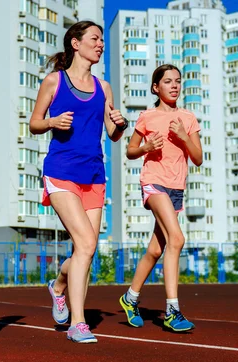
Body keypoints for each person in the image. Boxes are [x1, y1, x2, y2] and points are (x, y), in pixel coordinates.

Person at [29, 21, 128, 343]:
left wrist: (120, 124)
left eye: (102, 40)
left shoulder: (104, 87)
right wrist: (52, 122)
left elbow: (112, 134)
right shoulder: (54, 81)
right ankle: (78, 323)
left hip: (94, 174)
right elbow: (33, 124)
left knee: (86, 249)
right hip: (60, 171)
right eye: (95, 39)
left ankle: (58, 285)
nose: (100, 45)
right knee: (85, 243)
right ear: (76, 43)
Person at [119, 64, 203, 333]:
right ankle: (172, 311)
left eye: (178, 81)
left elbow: (198, 159)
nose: (174, 86)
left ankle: (130, 299)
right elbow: (131, 151)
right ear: (156, 87)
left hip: (176, 188)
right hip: (153, 181)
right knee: (177, 239)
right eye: (168, 82)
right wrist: (145, 147)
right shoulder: (147, 116)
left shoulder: (188, 118)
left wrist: (183, 137)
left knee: (156, 249)